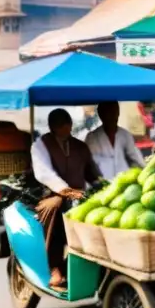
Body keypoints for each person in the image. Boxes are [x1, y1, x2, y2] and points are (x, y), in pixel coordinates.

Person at [31, 108, 103, 289]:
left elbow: (92, 174)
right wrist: (64, 190)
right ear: (52, 127)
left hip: (79, 195)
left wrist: (104, 186)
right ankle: (53, 266)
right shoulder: (40, 145)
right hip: (50, 195)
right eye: (61, 125)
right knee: (55, 206)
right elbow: (44, 173)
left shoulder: (80, 146)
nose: (66, 128)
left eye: (67, 124)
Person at [85, 101, 145, 180]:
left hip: (124, 181)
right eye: (109, 113)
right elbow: (89, 164)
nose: (113, 116)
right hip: (102, 183)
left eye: (115, 112)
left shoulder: (125, 134)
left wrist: (144, 173)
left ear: (118, 113)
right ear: (101, 115)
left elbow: (135, 157)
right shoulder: (92, 137)